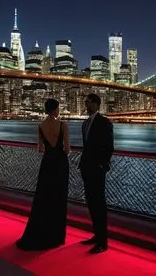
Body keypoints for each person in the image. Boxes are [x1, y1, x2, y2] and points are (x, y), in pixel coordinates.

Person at [16, 98, 71, 251]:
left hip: (47, 164)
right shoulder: (63, 125)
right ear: (55, 109)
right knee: (59, 198)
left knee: (44, 197)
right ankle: (56, 236)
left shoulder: (40, 126)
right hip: (60, 164)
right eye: (58, 108)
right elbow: (67, 150)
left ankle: (41, 232)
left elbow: (40, 149)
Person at [79, 93, 114, 254]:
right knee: (91, 203)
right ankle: (96, 235)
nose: (85, 104)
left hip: (97, 168)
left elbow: (109, 147)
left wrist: (102, 164)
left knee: (99, 204)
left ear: (96, 104)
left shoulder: (104, 122)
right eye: (85, 101)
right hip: (86, 167)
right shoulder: (85, 123)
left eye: (88, 102)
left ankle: (102, 242)